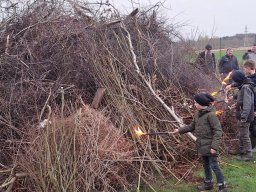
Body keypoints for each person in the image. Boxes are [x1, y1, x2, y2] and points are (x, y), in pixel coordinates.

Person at [172, 92, 227, 192]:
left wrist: (214, 147)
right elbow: (191, 127)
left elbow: (218, 131)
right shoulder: (197, 114)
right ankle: (208, 183)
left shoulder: (211, 115)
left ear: (201, 103)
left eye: (196, 103)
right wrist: (179, 131)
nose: (194, 104)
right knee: (206, 165)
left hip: (211, 146)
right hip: (202, 145)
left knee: (214, 165)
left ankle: (222, 186)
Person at [230, 70, 254, 161]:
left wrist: (243, 117)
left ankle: (249, 155)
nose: (234, 82)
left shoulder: (245, 87)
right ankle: (241, 150)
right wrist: (235, 99)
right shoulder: (243, 86)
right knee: (242, 133)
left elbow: (247, 104)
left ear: (238, 79)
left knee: (245, 135)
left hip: (246, 116)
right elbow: (241, 96)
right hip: (244, 115)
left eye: (235, 80)